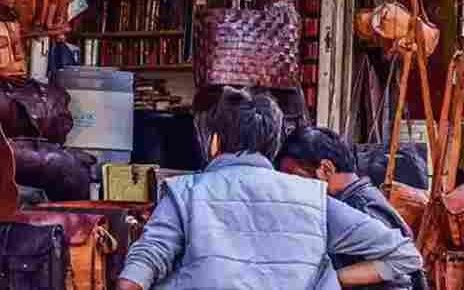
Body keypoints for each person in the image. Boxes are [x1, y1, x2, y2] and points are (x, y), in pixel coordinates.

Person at [117, 87, 422, 290]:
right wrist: (328, 280)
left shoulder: (186, 192)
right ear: (272, 144)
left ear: (214, 141)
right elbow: (405, 256)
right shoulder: (313, 199)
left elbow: (145, 263)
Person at [280, 127, 426, 290]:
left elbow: (400, 278)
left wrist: (330, 280)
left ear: (327, 169)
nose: (290, 186)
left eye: (295, 176)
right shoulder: (357, 200)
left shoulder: (361, 206)